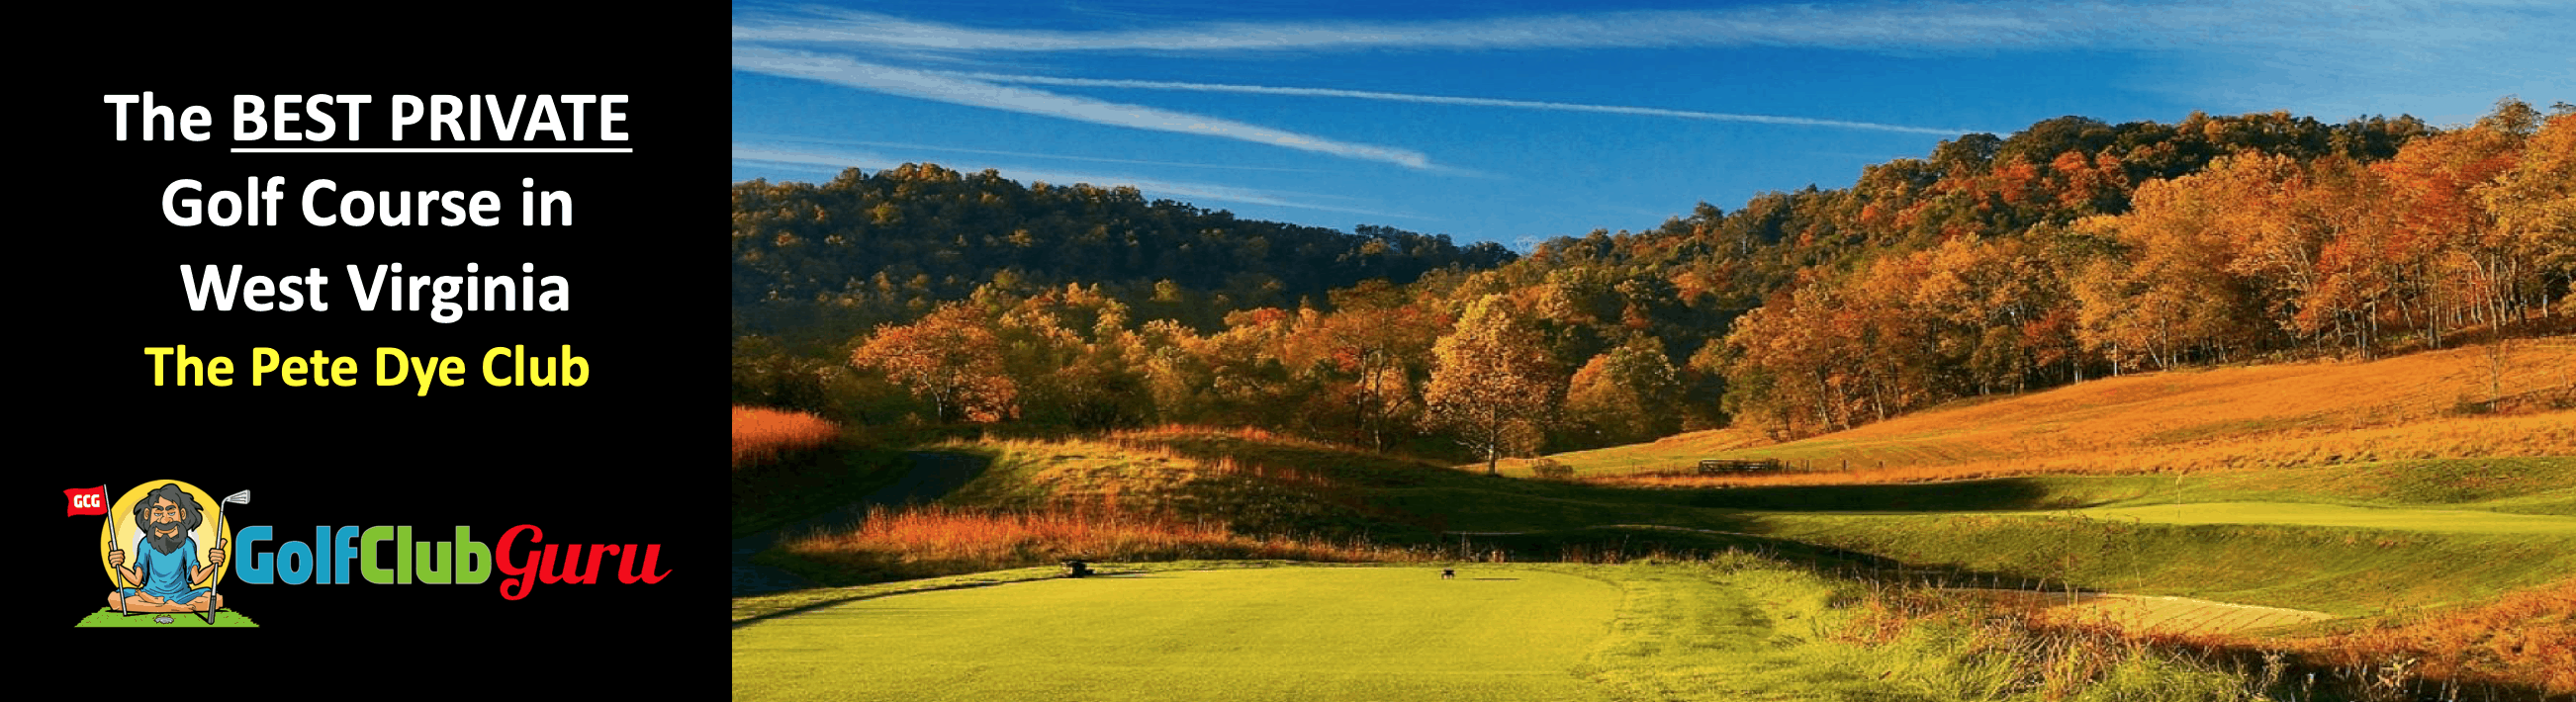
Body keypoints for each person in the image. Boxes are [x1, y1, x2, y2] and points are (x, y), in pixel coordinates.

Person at [106, 483, 226, 613]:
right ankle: (171, 608)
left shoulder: (187, 544)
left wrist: (214, 563)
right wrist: (118, 565)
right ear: (147, 515)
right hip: (150, 595)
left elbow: (196, 579)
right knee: (114, 598)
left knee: (215, 598)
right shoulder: (145, 544)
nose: (165, 519)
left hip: (182, 596)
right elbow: (136, 580)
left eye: (171, 512)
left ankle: (164, 607)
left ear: (182, 514)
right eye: (158, 513)